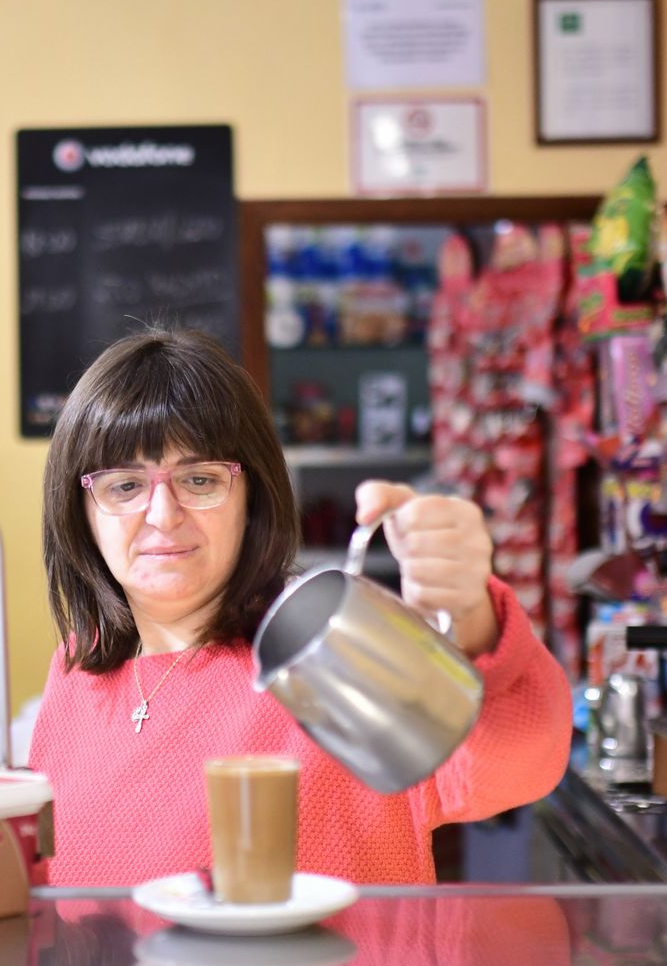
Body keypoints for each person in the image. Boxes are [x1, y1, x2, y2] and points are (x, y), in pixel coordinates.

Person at [28, 327, 572, 885]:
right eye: (124, 487)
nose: (163, 514)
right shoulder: (78, 669)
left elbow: (520, 762)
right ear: (81, 511)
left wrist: (470, 615)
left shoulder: (324, 651)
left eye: (199, 479)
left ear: (252, 499)